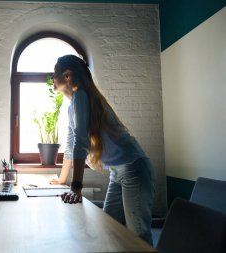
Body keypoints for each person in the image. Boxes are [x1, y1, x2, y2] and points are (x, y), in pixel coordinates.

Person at [50, 55, 156, 245]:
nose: (51, 77)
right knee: (110, 229)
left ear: (67, 76)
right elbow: (71, 143)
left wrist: (76, 188)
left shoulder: (81, 96)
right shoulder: (73, 104)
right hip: (118, 171)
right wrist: (62, 180)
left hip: (134, 168)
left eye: (54, 73)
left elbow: (80, 144)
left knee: (139, 235)